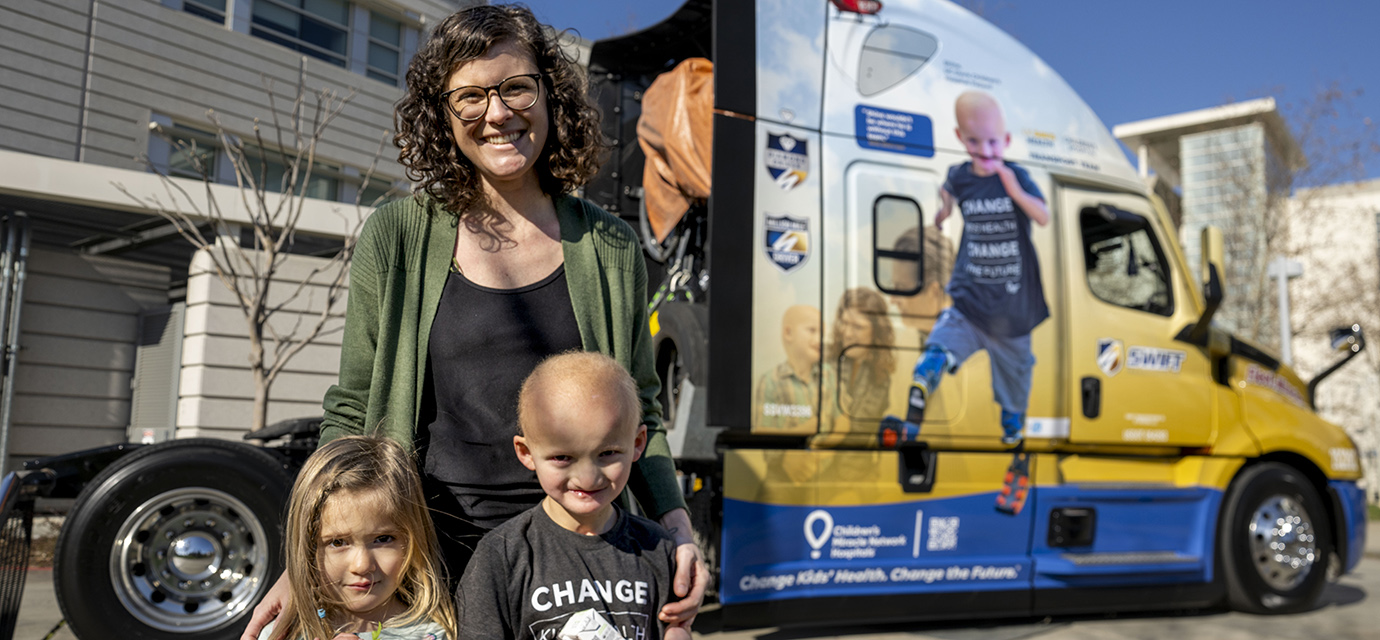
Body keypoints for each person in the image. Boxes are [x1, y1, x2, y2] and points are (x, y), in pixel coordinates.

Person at [242, 5, 704, 638]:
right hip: (424, 564)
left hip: (571, 566)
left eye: (516, 87)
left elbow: (641, 407)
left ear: (550, 95)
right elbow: (351, 409)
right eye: (470, 97)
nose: (497, 113)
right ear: (442, 114)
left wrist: (676, 528)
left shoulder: (610, 247)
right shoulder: (396, 236)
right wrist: (305, 563)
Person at [456, 352, 692, 640]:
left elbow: (677, 628)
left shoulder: (658, 549)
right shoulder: (501, 557)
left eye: (608, 453)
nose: (588, 478)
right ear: (526, 453)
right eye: (563, 457)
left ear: (638, 443)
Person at [908, 90, 1049, 445]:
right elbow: (948, 191)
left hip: (1013, 310)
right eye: (974, 141)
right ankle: (928, 372)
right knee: (947, 336)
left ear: (1006, 140)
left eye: (992, 142)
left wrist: (1015, 191)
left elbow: (1043, 216)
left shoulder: (1016, 176)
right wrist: (943, 212)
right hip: (972, 297)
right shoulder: (960, 176)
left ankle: (1012, 425)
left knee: (1016, 373)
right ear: (960, 138)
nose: (985, 151)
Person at [259, 436, 454, 640]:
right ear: (308, 549)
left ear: (413, 539)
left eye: (383, 539)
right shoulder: (280, 634)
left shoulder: (434, 635)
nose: (362, 566)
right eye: (337, 542)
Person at [752, 305, 826, 431]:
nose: (820, 340)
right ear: (788, 333)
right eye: (812, 330)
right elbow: (761, 430)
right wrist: (807, 429)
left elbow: (843, 420)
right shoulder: (770, 381)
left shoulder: (829, 375)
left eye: (822, 334)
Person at [825, 288, 895, 420]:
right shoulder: (823, 358)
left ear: (876, 331)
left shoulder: (883, 376)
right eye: (844, 323)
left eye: (858, 327)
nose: (847, 333)